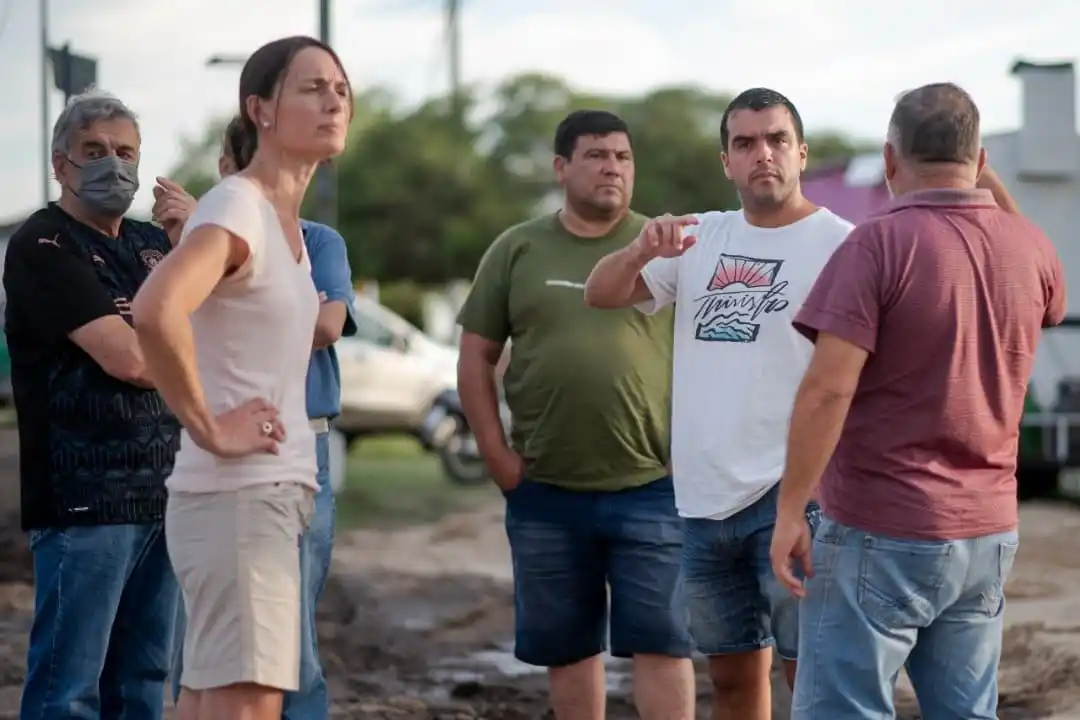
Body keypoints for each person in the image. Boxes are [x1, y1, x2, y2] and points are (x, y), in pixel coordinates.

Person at [769, 83, 1065, 719]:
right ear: (980, 160)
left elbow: (828, 388)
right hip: (986, 533)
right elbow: (1047, 295)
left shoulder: (876, 244)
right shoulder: (1031, 249)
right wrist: (986, 184)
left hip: (881, 525)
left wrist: (792, 508)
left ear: (889, 159)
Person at [585, 88, 851, 720]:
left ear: (802, 153)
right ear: (726, 162)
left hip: (797, 496)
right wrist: (641, 249)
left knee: (810, 678)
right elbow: (601, 294)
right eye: (745, 143)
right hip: (704, 503)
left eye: (777, 140)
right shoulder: (699, 238)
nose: (763, 154)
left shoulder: (843, 245)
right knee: (732, 684)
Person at [131, 35, 352, 720]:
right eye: (312, 88)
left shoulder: (284, 225)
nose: (333, 101)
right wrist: (210, 428)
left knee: (211, 698)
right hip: (238, 495)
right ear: (258, 107)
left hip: (257, 497)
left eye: (341, 90)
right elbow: (155, 309)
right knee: (246, 701)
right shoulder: (238, 206)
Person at [457, 109, 694, 720]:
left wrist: (686, 453)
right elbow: (475, 359)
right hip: (545, 490)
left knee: (665, 644)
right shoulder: (517, 249)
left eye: (622, 156)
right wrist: (496, 456)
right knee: (569, 650)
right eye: (596, 155)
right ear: (561, 167)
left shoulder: (669, 247)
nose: (612, 167)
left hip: (654, 488)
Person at [4, 88, 187, 719]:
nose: (114, 165)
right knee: (68, 690)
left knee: (142, 681)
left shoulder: (153, 244)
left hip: (164, 494)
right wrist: (188, 346)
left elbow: (227, 326)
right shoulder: (44, 245)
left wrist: (192, 236)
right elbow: (131, 359)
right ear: (62, 164)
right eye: (95, 151)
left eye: (126, 152)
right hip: (85, 502)